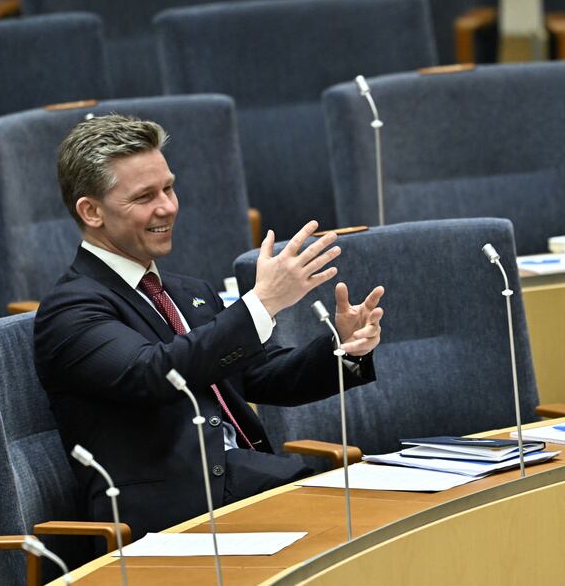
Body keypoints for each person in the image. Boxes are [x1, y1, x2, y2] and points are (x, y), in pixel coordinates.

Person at [34, 114, 384, 540]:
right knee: (349, 523)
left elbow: (261, 377)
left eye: (168, 187)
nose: (167, 206)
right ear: (91, 211)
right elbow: (158, 373)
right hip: (169, 520)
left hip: (249, 488)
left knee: (376, 515)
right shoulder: (71, 308)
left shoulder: (187, 291)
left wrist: (344, 350)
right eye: (144, 196)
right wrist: (264, 302)